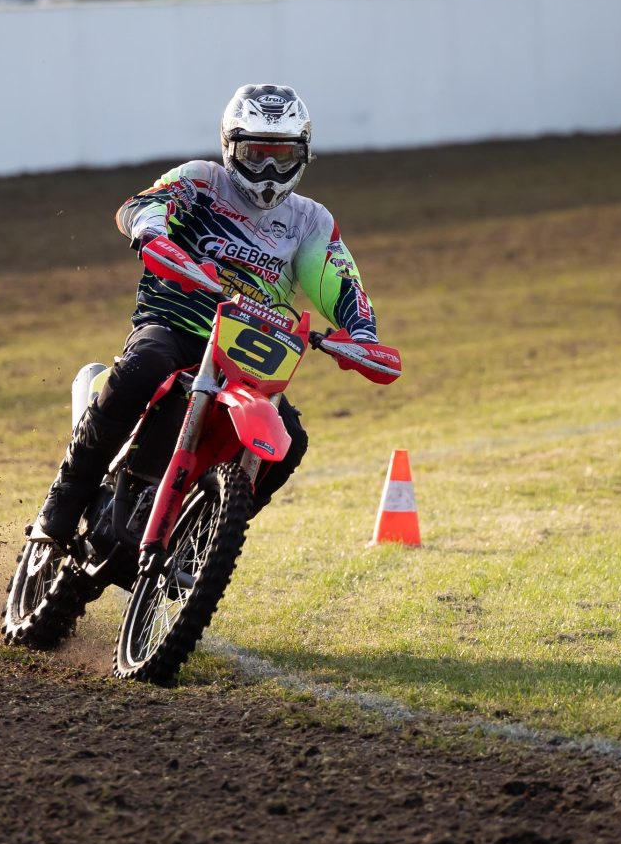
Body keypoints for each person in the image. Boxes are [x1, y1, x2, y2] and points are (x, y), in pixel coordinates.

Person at [24, 85, 392, 547]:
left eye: (282, 155)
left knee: (291, 441)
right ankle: (67, 494)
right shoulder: (201, 180)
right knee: (145, 366)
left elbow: (338, 279)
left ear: (304, 154)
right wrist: (152, 234)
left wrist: (362, 334)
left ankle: (198, 547)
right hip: (176, 324)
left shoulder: (309, 221)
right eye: (255, 154)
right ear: (230, 147)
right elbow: (142, 205)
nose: (269, 170)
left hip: (251, 355)